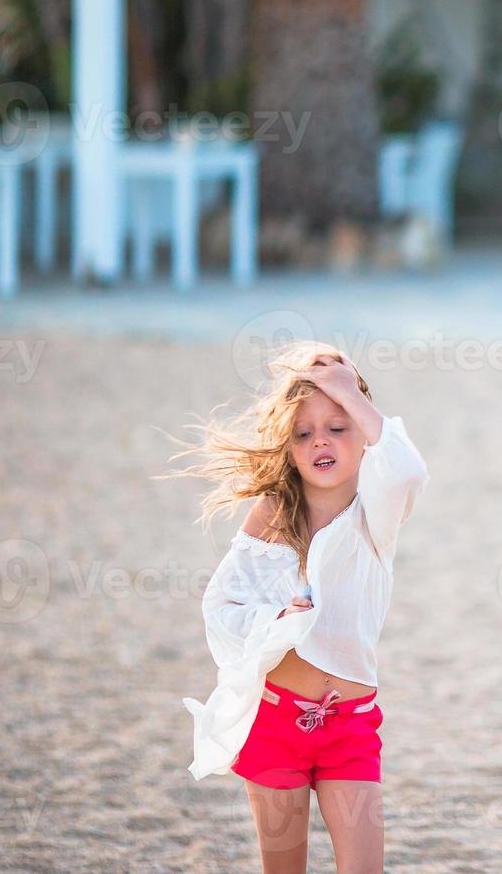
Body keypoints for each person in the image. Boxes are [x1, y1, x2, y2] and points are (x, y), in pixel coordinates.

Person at [179, 343, 430, 874]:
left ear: (364, 435)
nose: (321, 440)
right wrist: (272, 621)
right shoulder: (272, 512)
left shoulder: (376, 515)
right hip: (274, 724)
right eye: (303, 432)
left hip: (349, 728)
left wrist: (346, 389)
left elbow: (406, 469)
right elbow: (221, 605)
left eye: (338, 426)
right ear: (289, 448)